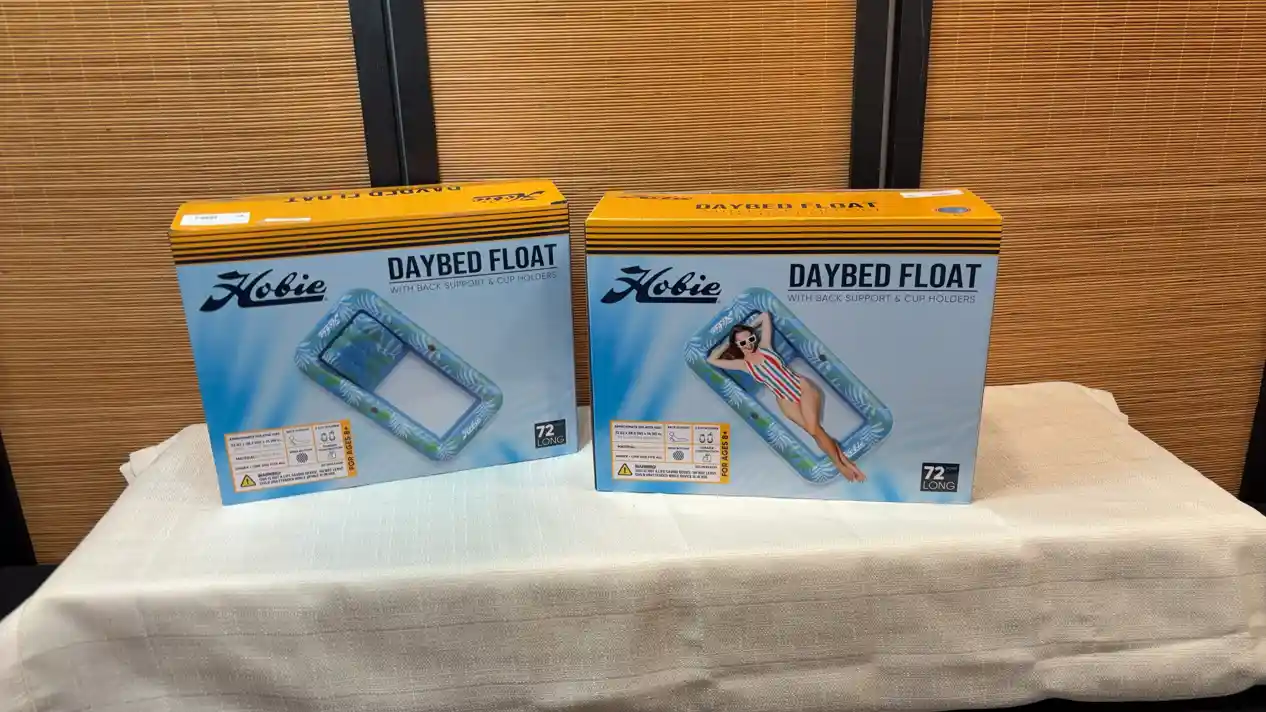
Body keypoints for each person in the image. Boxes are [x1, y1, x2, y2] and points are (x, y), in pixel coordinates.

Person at [707, 312, 866, 482]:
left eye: (751, 339)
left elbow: (765, 316)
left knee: (814, 429)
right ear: (737, 345)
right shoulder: (743, 364)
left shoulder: (765, 346)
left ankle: (841, 466)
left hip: (801, 387)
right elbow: (712, 360)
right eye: (743, 343)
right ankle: (847, 463)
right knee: (816, 432)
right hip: (784, 399)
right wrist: (728, 343)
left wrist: (748, 330)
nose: (749, 344)